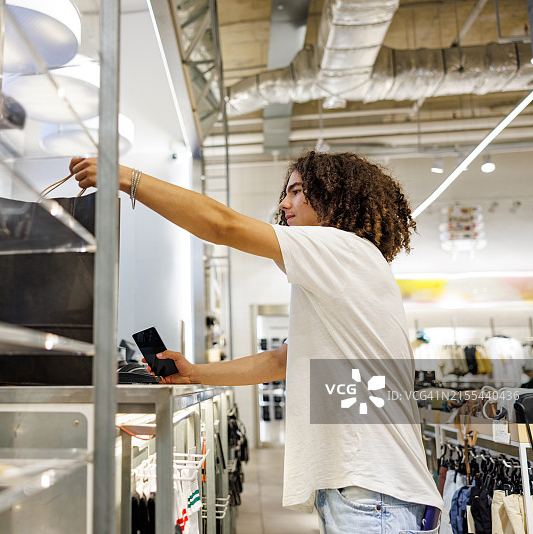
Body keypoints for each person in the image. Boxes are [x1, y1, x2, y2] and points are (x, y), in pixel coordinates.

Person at [69, 151, 444, 533]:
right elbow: (280, 361)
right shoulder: (346, 270)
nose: (284, 203)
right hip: (369, 493)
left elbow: (223, 225)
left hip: (373, 496)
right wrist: (195, 373)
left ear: (336, 197)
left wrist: (125, 176)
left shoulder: (342, 249)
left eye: (297, 191)